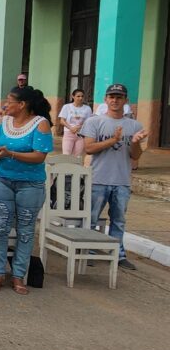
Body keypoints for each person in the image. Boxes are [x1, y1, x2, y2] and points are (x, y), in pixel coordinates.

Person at [0, 86, 53, 294]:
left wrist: (11, 154)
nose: (5, 105)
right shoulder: (2, 122)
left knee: (25, 230)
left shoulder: (41, 124)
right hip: (3, 180)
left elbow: (39, 156)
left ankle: (18, 276)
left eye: (9, 100)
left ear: (22, 105)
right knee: (0, 226)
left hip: (30, 184)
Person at [81, 84, 147, 270]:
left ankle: (119, 255)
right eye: (112, 96)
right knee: (91, 218)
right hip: (98, 178)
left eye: (119, 97)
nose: (115, 100)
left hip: (122, 180)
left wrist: (134, 142)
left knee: (118, 220)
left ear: (126, 100)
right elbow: (89, 148)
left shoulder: (135, 126)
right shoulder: (94, 122)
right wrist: (112, 140)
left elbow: (135, 156)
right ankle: (88, 252)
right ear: (106, 99)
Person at [59, 89, 91, 157]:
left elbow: (89, 122)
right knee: (66, 155)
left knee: (77, 156)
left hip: (81, 135)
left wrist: (79, 127)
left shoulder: (87, 108)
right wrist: (71, 128)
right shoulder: (67, 107)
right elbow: (62, 120)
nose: (80, 98)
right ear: (73, 96)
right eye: (78, 96)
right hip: (68, 133)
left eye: (82, 96)